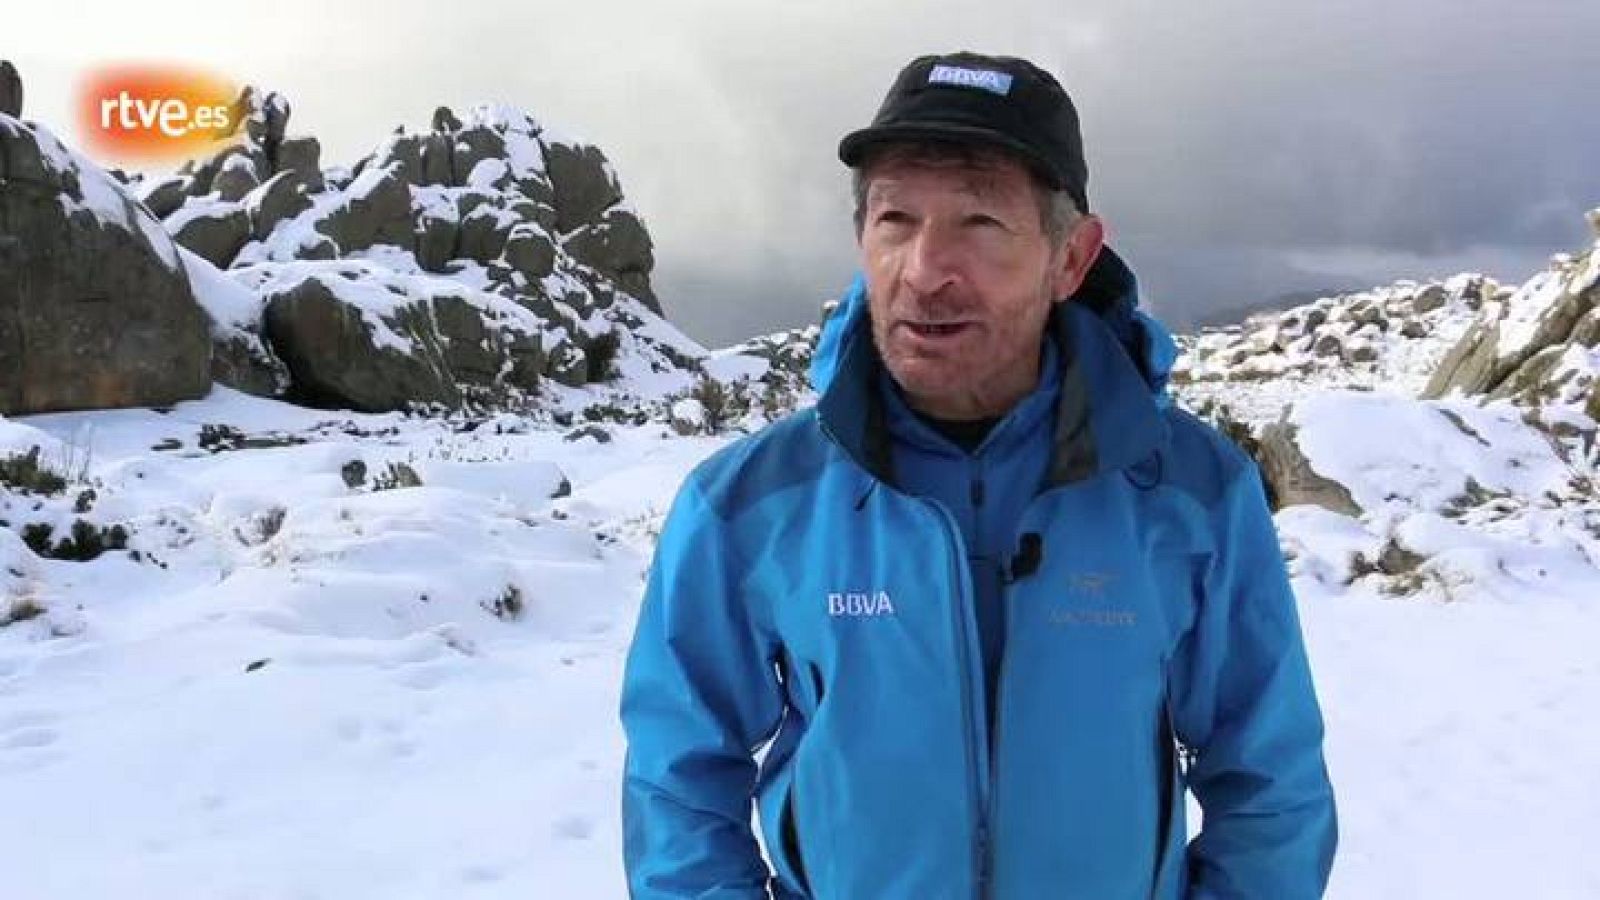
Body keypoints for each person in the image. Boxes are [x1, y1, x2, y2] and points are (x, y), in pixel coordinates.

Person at [620, 50, 1337, 899]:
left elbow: (1269, 782)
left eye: (980, 225)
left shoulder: (1194, 495)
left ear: (1070, 259)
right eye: (895, 221)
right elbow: (679, 780)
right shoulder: (749, 503)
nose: (925, 272)